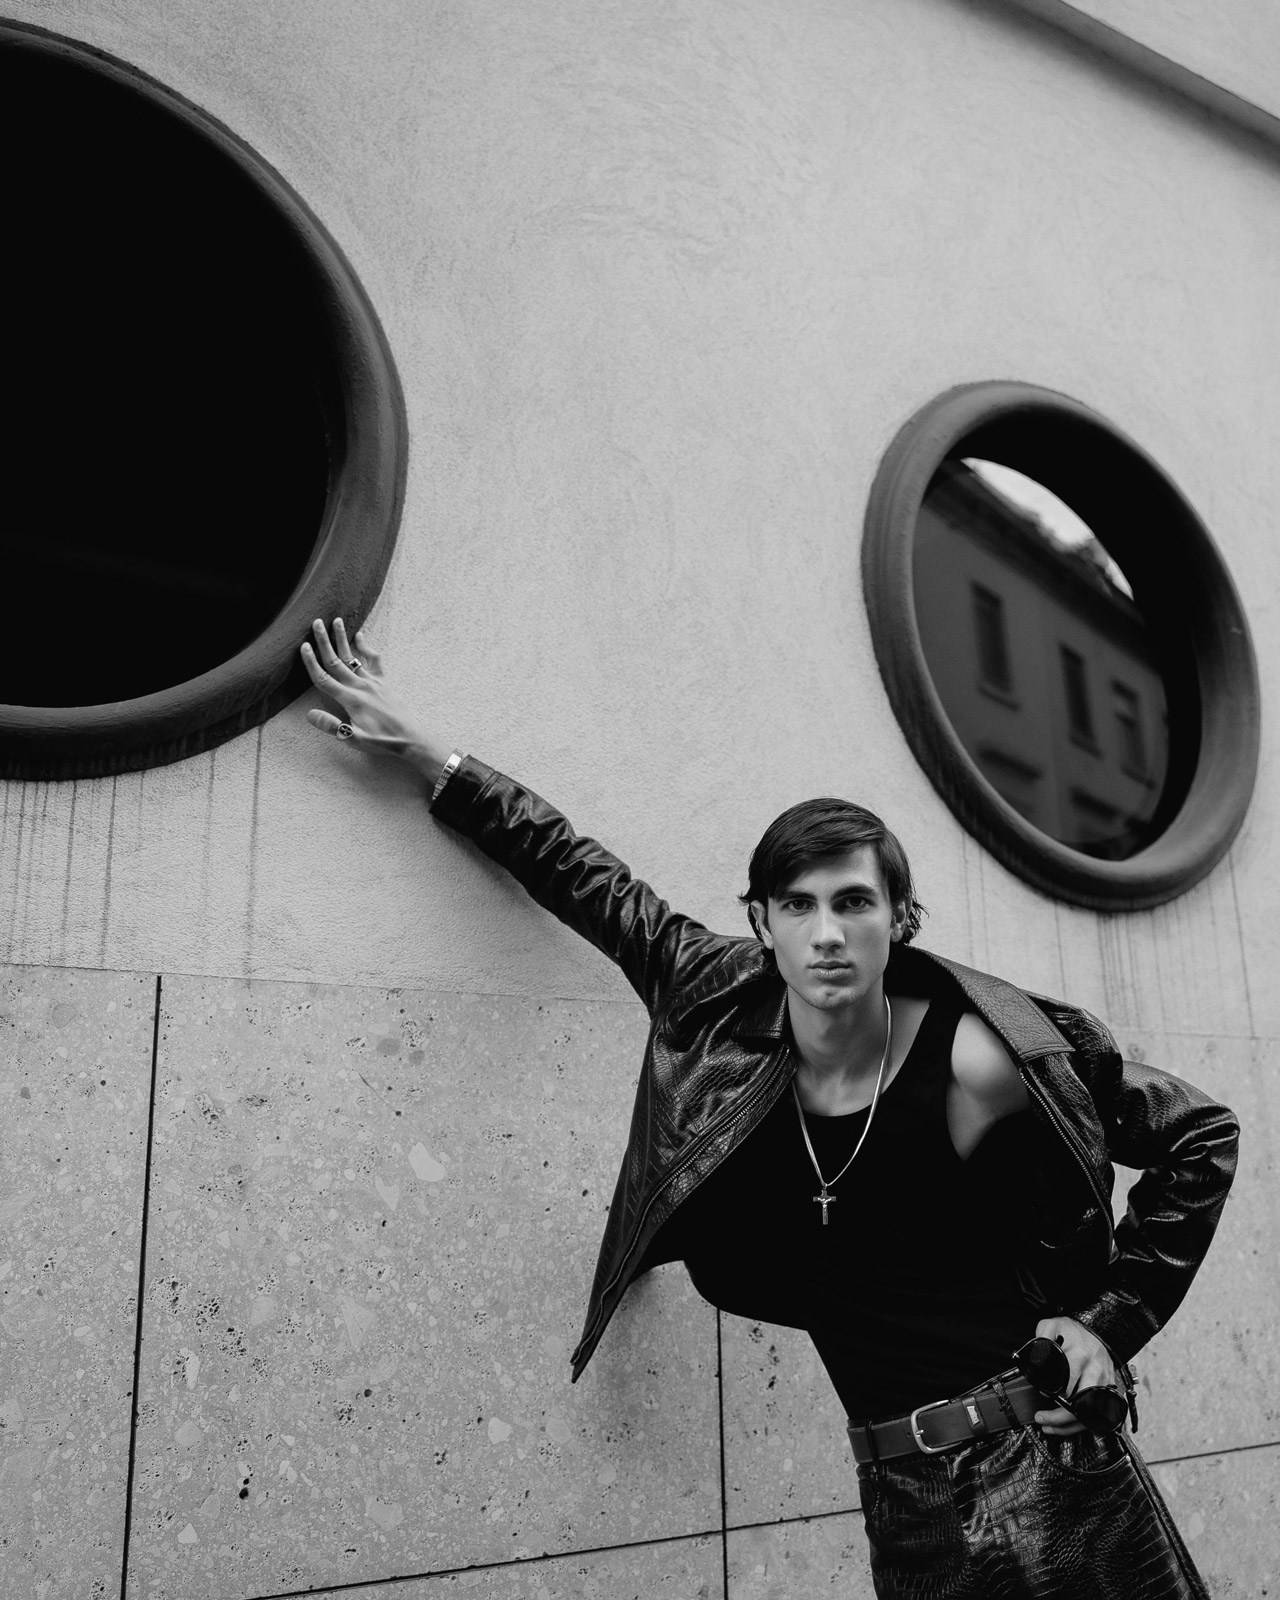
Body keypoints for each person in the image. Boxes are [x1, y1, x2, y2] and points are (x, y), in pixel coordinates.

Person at [301, 616, 1237, 1599]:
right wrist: (425, 755)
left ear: (900, 920)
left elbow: (1197, 1134)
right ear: (760, 919)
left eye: (852, 902)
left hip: (1052, 1460)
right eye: (795, 904)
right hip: (902, 1491)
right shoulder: (715, 993)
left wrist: (1110, 1319)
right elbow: (578, 870)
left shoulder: (990, 1045)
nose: (824, 932)